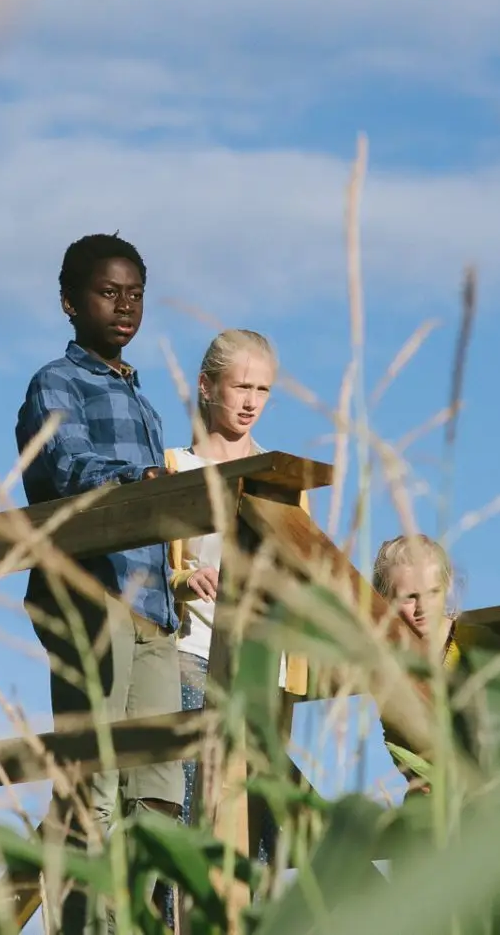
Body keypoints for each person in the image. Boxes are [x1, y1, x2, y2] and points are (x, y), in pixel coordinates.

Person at [17, 233, 179, 935]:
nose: (124, 307)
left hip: (153, 607)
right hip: (91, 593)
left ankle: (141, 921)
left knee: (159, 788)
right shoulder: (58, 381)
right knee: (98, 781)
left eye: (135, 294)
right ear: (69, 302)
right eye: (108, 293)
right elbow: (62, 466)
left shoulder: (143, 402)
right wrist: (132, 484)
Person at [162, 329, 279, 827]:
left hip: (260, 667)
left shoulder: (280, 476)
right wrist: (183, 581)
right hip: (192, 656)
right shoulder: (174, 467)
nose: (251, 403)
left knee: (254, 822)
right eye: (241, 387)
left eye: (263, 390)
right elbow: (150, 572)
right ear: (207, 387)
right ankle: (170, 911)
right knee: (190, 811)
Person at [370, 533, 462, 798]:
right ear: (385, 599)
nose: (422, 606)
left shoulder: (473, 645)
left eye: (432, 592)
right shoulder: (390, 662)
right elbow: (396, 738)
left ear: (448, 586)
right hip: (429, 795)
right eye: (409, 597)